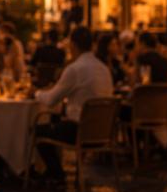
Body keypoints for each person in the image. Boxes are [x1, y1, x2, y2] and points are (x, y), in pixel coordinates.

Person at [34, 27, 114, 182]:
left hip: (80, 129)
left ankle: (55, 173)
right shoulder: (104, 69)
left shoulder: (75, 69)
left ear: (73, 45)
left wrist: (35, 93)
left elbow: (51, 100)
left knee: (38, 130)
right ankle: (54, 173)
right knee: (56, 123)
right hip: (103, 131)